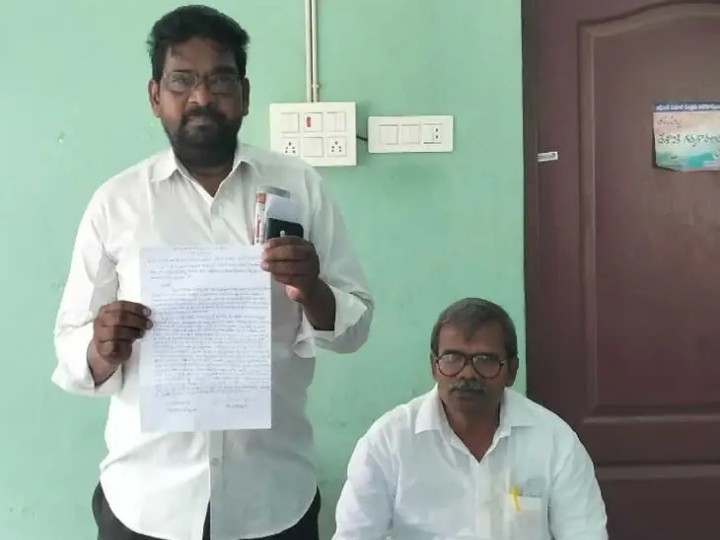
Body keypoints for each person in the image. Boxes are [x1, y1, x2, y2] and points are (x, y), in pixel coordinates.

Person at [52, 5, 373, 540]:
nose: (201, 97)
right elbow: (69, 347)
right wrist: (101, 346)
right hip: (148, 500)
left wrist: (312, 290)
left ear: (244, 94)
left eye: (220, 80)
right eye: (182, 80)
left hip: (270, 497)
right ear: (155, 95)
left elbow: (355, 329)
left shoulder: (301, 187)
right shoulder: (116, 203)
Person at [333, 298, 607, 540]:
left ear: (511, 371)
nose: (467, 374)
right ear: (434, 366)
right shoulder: (388, 443)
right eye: (453, 358)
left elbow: (585, 533)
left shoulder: (554, 441)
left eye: (485, 360)